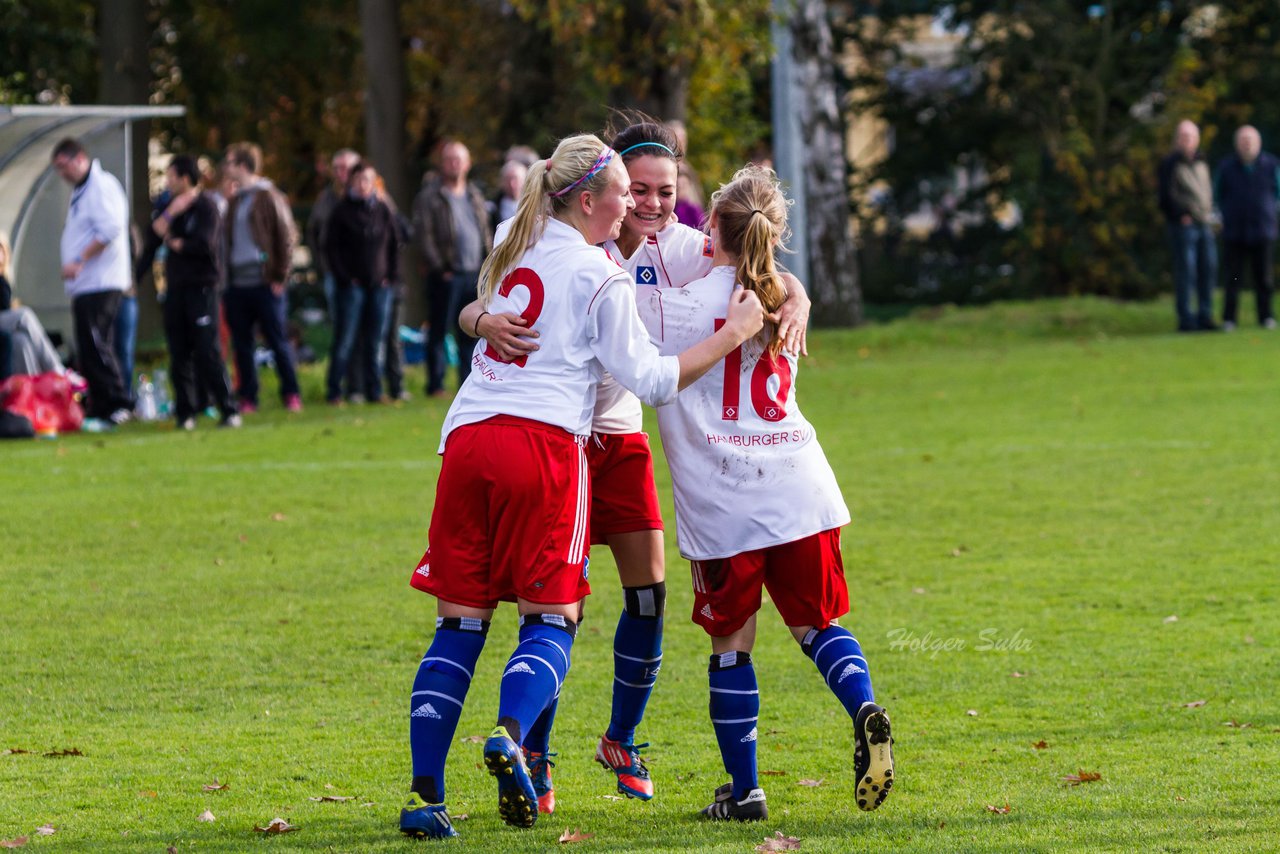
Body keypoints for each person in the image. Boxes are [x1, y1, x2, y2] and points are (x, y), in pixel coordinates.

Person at [398, 133, 764, 839]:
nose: (643, 203)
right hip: (543, 447)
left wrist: (476, 318)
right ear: (592, 199)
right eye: (630, 190)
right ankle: (514, 738)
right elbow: (653, 379)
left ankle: (424, 796)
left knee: (459, 623)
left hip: (468, 435)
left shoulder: (522, 234)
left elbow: (484, 304)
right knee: (551, 618)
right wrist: (733, 333)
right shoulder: (601, 275)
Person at [463, 118, 811, 811]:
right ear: (608, 189)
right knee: (562, 606)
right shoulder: (545, 233)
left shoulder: (672, 247)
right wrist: (479, 320)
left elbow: (753, 255)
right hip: (551, 435)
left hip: (617, 437)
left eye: (664, 192)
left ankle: (621, 738)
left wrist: (797, 293)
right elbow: (482, 299)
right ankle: (536, 751)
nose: (652, 205)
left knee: (648, 594)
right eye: (640, 190)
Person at [636, 165, 894, 822]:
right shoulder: (782, 295)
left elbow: (617, 318)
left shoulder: (679, 306)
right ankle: (863, 706)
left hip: (725, 504)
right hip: (801, 486)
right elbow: (778, 280)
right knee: (818, 626)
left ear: (710, 229)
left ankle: (745, 791)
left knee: (731, 645)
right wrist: (797, 290)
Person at [135, 155, 240, 430]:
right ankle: (185, 413)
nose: (167, 182)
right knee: (179, 351)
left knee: (207, 349)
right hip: (176, 288)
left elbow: (205, 245)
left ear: (184, 178)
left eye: (170, 176)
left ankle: (228, 408)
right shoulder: (170, 207)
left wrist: (179, 244)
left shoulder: (207, 207)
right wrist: (172, 213)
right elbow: (154, 236)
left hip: (202, 288)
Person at [51, 137, 135, 426]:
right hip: (86, 285)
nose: (62, 174)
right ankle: (99, 405)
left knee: (98, 343)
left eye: (64, 166)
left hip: (101, 281)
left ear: (79, 158)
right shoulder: (82, 191)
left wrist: (80, 260)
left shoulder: (101, 186)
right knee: (88, 346)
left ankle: (118, 403)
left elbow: (111, 228)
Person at [221, 142, 303, 412]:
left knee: (276, 339)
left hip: (265, 281)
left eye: (230, 162)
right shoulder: (234, 202)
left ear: (243, 166)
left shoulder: (268, 197)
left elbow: (286, 236)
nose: (226, 167)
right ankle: (248, 397)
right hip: (238, 284)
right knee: (242, 344)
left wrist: (280, 275)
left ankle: (291, 393)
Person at [412, 140, 492, 397]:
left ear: (467, 164)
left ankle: (468, 384)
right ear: (442, 164)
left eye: (459, 159)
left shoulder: (474, 195)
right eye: (450, 159)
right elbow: (423, 235)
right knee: (438, 330)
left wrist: (490, 265)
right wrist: (440, 268)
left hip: (475, 275)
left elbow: (484, 232)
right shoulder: (430, 197)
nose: (454, 164)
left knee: (472, 331)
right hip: (446, 275)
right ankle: (435, 385)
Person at [323, 161, 399, 404]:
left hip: (380, 285)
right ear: (351, 182)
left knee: (376, 340)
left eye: (368, 179)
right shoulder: (341, 211)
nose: (364, 185)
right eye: (359, 180)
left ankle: (374, 390)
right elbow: (330, 248)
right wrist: (345, 277)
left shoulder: (383, 209)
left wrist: (390, 276)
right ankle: (335, 389)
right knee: (346, 339)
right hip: (352, 286)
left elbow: (395, 244)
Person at [1216, 125, 1280, 330]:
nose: (1247, 144)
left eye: (1250, 140)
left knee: (1264, 277)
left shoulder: (1271, 165)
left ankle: (1266, 316)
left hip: (1263, 229)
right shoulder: (1226, 167)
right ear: (1237, 143)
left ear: (1258, 143)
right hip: (1234, 231)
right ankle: (1229, 319)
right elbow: (1217, 195)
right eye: (1243, 140)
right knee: (1233, 278)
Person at [1157, 120, 1217, 332]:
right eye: (1183, 136)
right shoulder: (1170, 164)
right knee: (1186, 272)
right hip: (1184, 226)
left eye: (1191, 136)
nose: (1187, 140)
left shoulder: (1202, 161)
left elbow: (1207, 192)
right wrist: (1181, 214)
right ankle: (1186, 319)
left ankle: (1205, 315)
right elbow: (1165, 197)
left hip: (1205, 223)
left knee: (1207, 270)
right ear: (1177, 139)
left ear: (1197, 139)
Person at [0, 232, 80, 382]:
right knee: (24, 315)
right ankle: (57, 370)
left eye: (2, 249)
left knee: (20, 340)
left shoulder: (5, 279)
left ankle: (35, 389)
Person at [308, 148, 361, 316]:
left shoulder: (373, 199)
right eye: (336, 168)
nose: (340, 172)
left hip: (365, 274)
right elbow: (313, 233)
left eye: (345, 167)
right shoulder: (325, 199)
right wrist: (322, 264)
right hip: (334, 273)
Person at [488, 159, 527, 234]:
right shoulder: (492, 209)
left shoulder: (535, 206)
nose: (512, 184)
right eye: (508, 179)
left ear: (524, 180)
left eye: (516, 179)